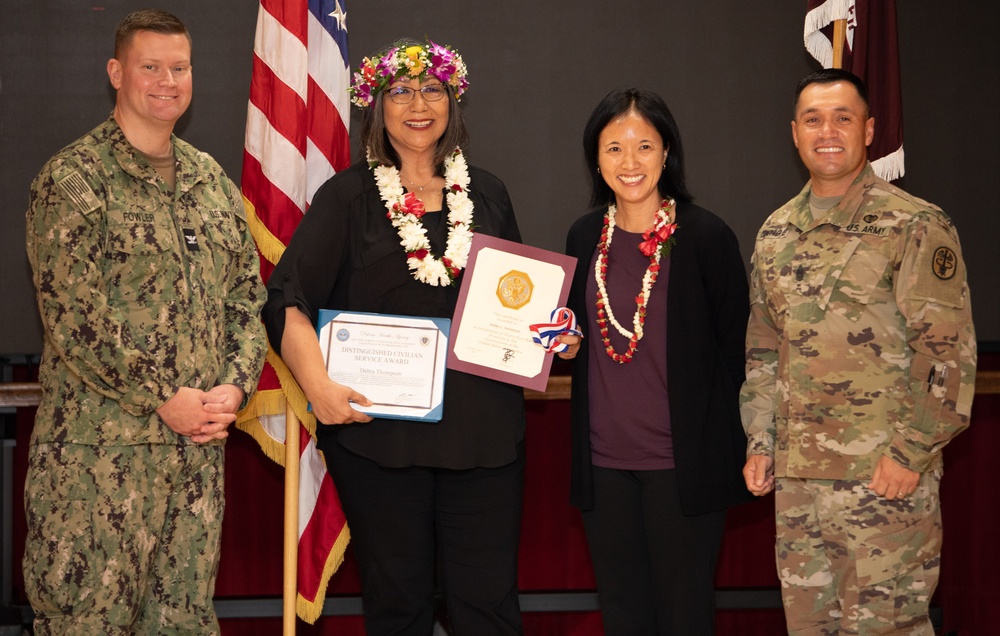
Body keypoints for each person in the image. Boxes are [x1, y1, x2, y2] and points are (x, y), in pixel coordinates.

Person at [262, 38, 541, 635]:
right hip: (380, 446)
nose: (419, 103)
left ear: (453, 104)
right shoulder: (348, 198)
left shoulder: (488, 194)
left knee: (489, 609)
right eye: (401, 91)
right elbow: (288, 299)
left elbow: (519, 301)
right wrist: (319, 387)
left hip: (484, 444)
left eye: (433, 89)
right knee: (398, 609)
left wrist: (553, 335)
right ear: (377, 107)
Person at [22, 9, 267, 634]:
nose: (167, 81)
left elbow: (246, 299)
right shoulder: (73, 179)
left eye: (179, 67)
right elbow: (74, 316)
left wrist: (234, 387)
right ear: (116, 72)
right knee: (87, 625)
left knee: (183, 624)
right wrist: (162, 397)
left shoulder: (210, 180)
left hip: (194, 461)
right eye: (150, 66)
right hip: (98, 466)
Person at [741, 69, 977, 635]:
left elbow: (946, 353)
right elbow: (764, 349)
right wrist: (761, 440)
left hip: (883, 482)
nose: (829, 131)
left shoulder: (914, 223)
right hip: (798, 486)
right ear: (794, 132)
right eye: (814, 119)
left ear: (869, 130)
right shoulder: (776, 232)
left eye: (843, 118)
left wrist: (910, 452)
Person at [564, 87, 752, 635]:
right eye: (614, 148)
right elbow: (578, 334)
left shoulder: (707, 237)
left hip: (681, 467)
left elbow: (740, 354)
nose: (630, 162)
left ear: (667, 153)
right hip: (604, 465)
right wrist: (564, 345)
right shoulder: (582, 236)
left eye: (644, 146)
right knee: (623, 615)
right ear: (595, 159)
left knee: (684, 615)